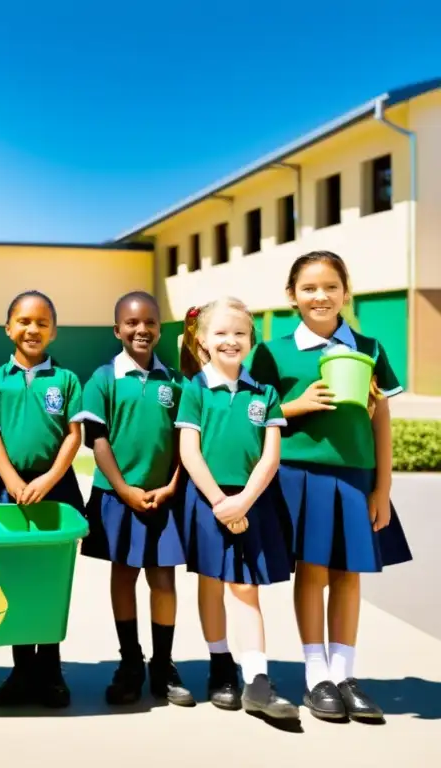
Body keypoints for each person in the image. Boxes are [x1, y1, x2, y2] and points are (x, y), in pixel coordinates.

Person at [247, 251, 412, 722]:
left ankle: (344, 674)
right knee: (313, 572)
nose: (321, 296)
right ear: (291, 296)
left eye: (330, 287)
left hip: (356, 478)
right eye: (309, 288)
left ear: (346, 292)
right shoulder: (271, 352)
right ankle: (316, 676)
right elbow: (254, 415)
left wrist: (383, 488)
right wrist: (294, 406)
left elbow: (381, 418)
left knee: (348, 574)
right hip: (301, 477)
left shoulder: (370, 347)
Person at [176, 297, 299, 722]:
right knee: (211, 582)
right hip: (208, 499)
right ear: (202, 340)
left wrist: (244, 501)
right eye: (221, 333)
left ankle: (258, 680)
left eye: (240, 333)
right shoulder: (193, 390)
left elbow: (270, 457)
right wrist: (220, 503)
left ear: (251, 339)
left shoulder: (264, 393)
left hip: (252, 499)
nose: (231, 340)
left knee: (246, 588)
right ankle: (220, 667)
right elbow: (190, 452)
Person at [0, 290, 86, 708]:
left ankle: (51, 670)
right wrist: (13, 481)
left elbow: (75, 436)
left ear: (54, 331)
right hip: (9, 493)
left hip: (55, 491)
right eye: (23, 321)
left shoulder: (68, 380)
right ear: (8, 328)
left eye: (41, 322)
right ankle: (21, 670)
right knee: (14, 578)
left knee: (49, 580)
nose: (31, 329)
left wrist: (49, 480)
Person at [79, 291, 193, 707]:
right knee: (124, 574)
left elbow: (187, 440)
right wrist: (124, 489)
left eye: (149, 323)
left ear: (160, 329)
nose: (141, 329)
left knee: (163, 578)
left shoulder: (176, 382)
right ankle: (130, 662)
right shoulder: (102, 379)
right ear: (117, 330)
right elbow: (98, 439)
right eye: (131, 323)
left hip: (164, 498)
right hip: (117, 496)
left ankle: (162, 666)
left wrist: (174, 485)